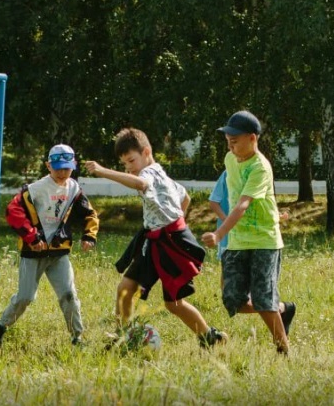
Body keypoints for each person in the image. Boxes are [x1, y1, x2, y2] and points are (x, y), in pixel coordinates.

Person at [83, 128, 227, 347]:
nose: (129, 167)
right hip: (153, 241)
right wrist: (176, 220)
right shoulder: (160, 173)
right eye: (124, 164)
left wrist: (103, 171)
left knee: (174, 304)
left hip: (172, 244)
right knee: (125, 288)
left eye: (131, 160)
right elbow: (185, 197)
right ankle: (123, 337)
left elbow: (141, 184)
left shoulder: (149, 173)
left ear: (146, 152)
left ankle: (209, 336)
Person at [202, 110, 296, 355]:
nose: (230, 145)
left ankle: (284, 351)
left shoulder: (260, 167)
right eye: (227, 140)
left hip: (264, 241)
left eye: (235, 140)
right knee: (232, 300)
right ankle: (283, 309)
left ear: (253, 138)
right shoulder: (230, 159)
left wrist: (219, 234)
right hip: (237, 241)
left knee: (264, 300)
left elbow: (243, 204)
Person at [0, 144, 98, 346]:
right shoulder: (35, 189)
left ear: (74, 166)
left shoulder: (74, 189)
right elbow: (13, 211)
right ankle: (0, 327)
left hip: (59, 253)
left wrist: (89, 236)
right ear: (48, 166)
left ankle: (77, 338)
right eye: (58, 168)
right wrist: (32, 237)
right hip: (33, 252)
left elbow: (90, 214)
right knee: (25, 297)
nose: (62, 173)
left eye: (67, 168)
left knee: (69, 295)